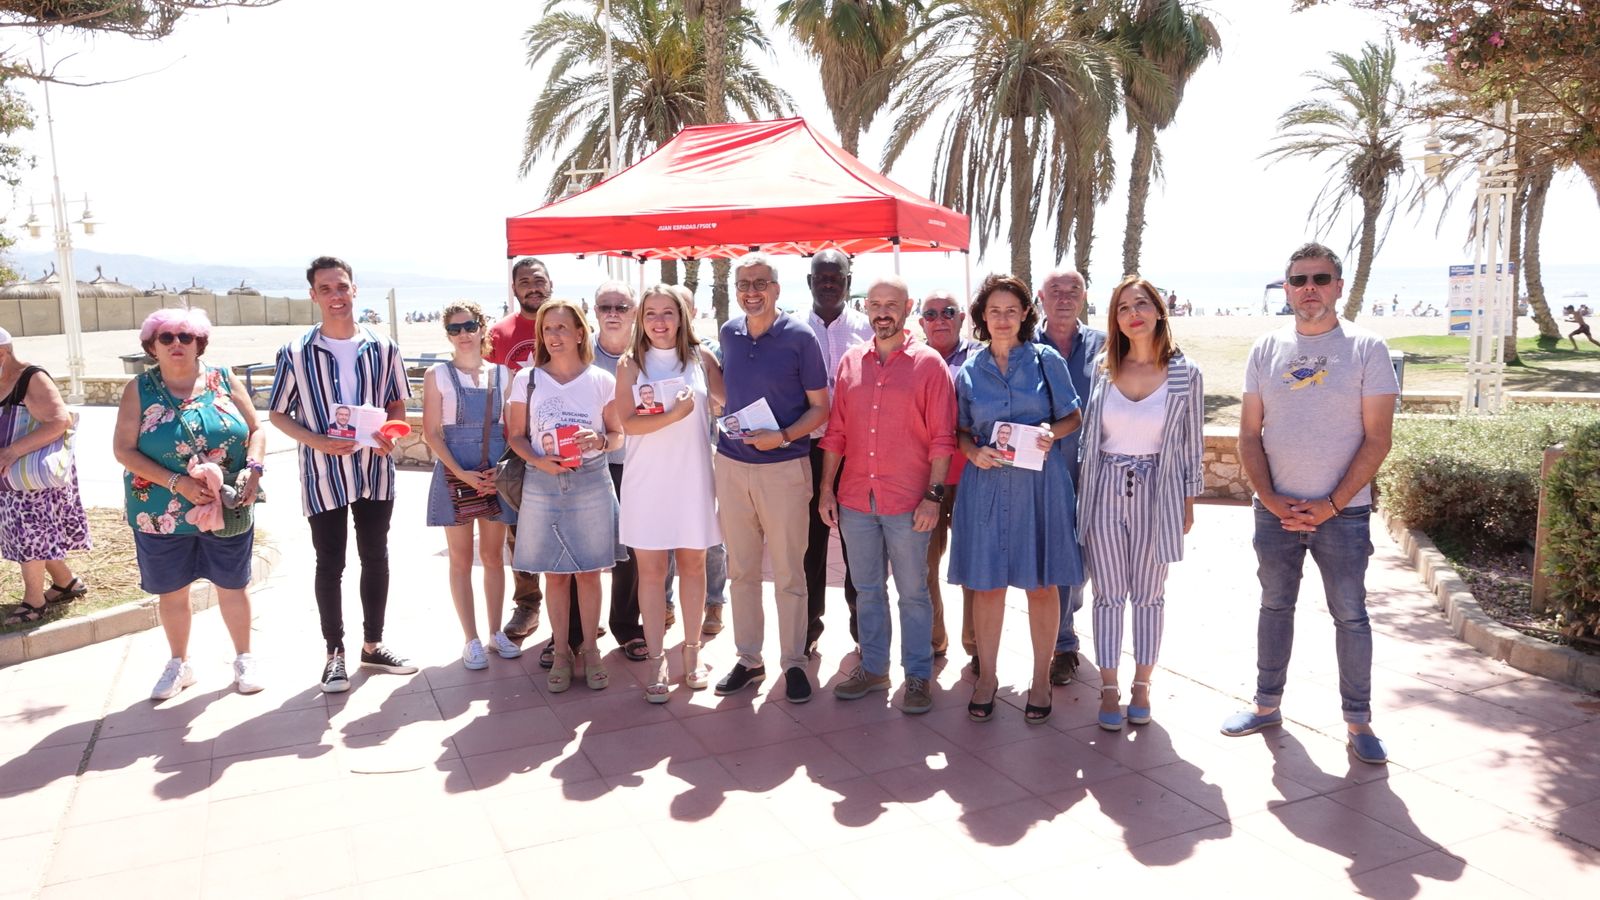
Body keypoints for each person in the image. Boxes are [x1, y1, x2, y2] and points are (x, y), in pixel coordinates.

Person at [1221, 242, 1398, 766]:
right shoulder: (1265, 349)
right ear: (1287, 289)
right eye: (1299, 280)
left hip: (1343, 516)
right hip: (1275, 513)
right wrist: (1271, 499)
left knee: (1350, 615)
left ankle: (1359, 721)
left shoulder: (1368, 348)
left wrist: (1332, 504)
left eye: (1321, 278)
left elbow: (1378, 439)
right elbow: (1249, 436)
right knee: (1274, 605)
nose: (1309, 289)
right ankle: (1266, 704)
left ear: (1339, 286)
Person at [269, 257, 415, 693]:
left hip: (375, 470)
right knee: (329, 562)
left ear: (355, 290)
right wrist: (317, 441)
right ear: (313, 295)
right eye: (326, 288)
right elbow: (277, 414)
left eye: (342, 287)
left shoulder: (384, 346)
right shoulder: (295, 353)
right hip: (323, 473)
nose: (336, 296)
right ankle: (334, 654)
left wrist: (391, 433)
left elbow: (397, 405)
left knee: (376, 557)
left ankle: (373, 646)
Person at [818, 276, 954, 715]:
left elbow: (942, 439)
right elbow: (836, 433)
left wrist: (934, 496)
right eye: (874, 304)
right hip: (857, 498)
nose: (882, 312)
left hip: (910, 502)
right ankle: (874, 668)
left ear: (907, 307)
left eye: (891, 304)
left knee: (914, 592)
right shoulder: (851, 362)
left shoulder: (930, 365)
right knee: (867, 589)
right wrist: (826, 488)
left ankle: (917, 676)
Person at [951, 274, 1083, 725]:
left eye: (1011, 310)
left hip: (1039, 486)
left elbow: (1073, 416)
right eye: (994, 311)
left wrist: (1051, 432)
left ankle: (1041, 679)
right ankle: (987, 677)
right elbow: (962, 430)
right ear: (982, 318)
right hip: (986, 486)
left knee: (1041, 585)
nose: (1002, 319)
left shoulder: (1046, 360)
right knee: (987, 586)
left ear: (1026, 313)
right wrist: (973, 452)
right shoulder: (970, 368)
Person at [113, 309, 265, 699]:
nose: (177, 344)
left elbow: (255, 431)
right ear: (152, 346)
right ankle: (179, 664)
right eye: (166, 338)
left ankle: (244, 658)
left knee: (233, 584)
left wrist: (255, 470)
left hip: (227, 505)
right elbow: (123, 450)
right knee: (173, 590)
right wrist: (176, 483)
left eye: (185, 336)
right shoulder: (139, 389)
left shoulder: (223, 379)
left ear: (200, 341)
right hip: (159, 511)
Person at [1076, 278, 1204, 731]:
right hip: (1104, 488)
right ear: (1114, 318)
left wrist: (1187, 503)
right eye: (1123, 307)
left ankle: (1142, 685)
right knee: (1108, 595)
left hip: (1159, 492)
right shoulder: (1102, 367)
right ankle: (1109, 685)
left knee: (1149, 596)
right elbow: (1091, 438)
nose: (1134, 313)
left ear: (1158, 310)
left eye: (1142, 304)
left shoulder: (1186, 373)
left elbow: (1191, 445)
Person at [714, 253, 830, 703]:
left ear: (777, 288)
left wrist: (781, 436)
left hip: (784, 469)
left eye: (760, 282)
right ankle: (749, 659)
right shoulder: (728, 332)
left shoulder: (800, 336)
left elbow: (822, 407)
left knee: (788, 571)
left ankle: (794, 663)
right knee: (740, 570)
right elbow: (731, 392)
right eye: (743, 283)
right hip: (731, 465)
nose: (751, 291)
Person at [506, 298, 626, 693]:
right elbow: (516, 437)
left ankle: (590, 650)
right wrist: (541, 463)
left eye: (561, 329)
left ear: (580, 333)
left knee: (589, 573)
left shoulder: (602, 381)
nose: (553, 337)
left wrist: (600, 440)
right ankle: (560, 652)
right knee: (555, 576)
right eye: (547, 330)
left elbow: (618, 434)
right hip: (543, 483)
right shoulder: (527, 379)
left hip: (591, 479)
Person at [616, 285, 726, 701]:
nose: (659, 322)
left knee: (695, 566)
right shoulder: (631, 364)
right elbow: (628, 424)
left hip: (693, 477)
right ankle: (657, 659)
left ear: (683, 317)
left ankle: (693, 652)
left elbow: (727, 400)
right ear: (640, 320)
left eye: (668, 313)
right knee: (651, 572)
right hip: (647, 481)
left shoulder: (701, 359)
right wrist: (674, 414)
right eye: (650, 314)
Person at [421, 301, 519, 670]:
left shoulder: (503, 375)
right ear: (448, 334)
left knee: (494, 557)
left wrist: (502, 469)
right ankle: (471, 639)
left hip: (493, 471)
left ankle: (496, 633)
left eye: (469, 326)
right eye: (455, 329)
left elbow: (513, 428)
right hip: (454, 472)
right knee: (461, 560)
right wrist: (460, 474)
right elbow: (432, 433)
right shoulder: (438, 375)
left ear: (482, 328)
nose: (463, 334)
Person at [1034, 268, 1106, 687]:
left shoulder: (1105, 345)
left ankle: (1066, 619)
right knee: (1058, 555)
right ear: (1041, 297)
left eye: (1073, 290)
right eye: (1055, 290)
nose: (1064, 297)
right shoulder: (1027, 347)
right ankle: (1062, 643)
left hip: (1096, 469)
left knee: (1083, 562)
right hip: (1044, 469)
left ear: (1083, 296)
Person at [804, 249, 872, 655]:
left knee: (859, 551)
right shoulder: (791, 330)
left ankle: (865, 636)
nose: (829, 283)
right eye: (821, 277)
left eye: (837, 277)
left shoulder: (869, 330)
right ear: (810, 282)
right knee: (809, 550)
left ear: (849, 280)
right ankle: (808, 633)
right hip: (806, 453)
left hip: (857, 455)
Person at [490, 257, 560, 649]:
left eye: (539, 280)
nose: (532, 287)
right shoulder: (499, 334)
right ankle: (528, 603)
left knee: (568, 529)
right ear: (514, 289)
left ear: (550, 284)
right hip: (516, 446)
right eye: (524, 282)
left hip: (562, 445)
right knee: (520, 532)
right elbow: (486, 389)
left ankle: (575, 613)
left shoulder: (568, 322)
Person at [0, 330, 90, 627]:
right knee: (32, 535)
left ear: (2, 354)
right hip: (11, 477)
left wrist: (13, 451)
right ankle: (66, 583)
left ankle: (34, 601)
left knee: (30, 535)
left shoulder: (31, 378)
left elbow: (59, 420)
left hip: (33, 475)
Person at [917, 290, 979, 665]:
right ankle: (932, 638)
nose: (940, 318)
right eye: (931, 313)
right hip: (925, 481)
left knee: (974, 563)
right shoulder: (912, 359)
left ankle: (976, 643)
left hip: (973, 477)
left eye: (948, 312)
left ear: (962, 317)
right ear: (921, 320)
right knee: (924, 565)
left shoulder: (981, 358)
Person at [589, 281, 649, 664]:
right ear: (594, 312)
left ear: (634, 312)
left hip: (636, 466)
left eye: (621, 306)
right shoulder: (580, 354)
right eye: (604, 306)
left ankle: (626, 626)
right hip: (590, 466)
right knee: (584, 550)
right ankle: (576, 630)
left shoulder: (647, 354)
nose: (612, 313)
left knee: (631, 552)